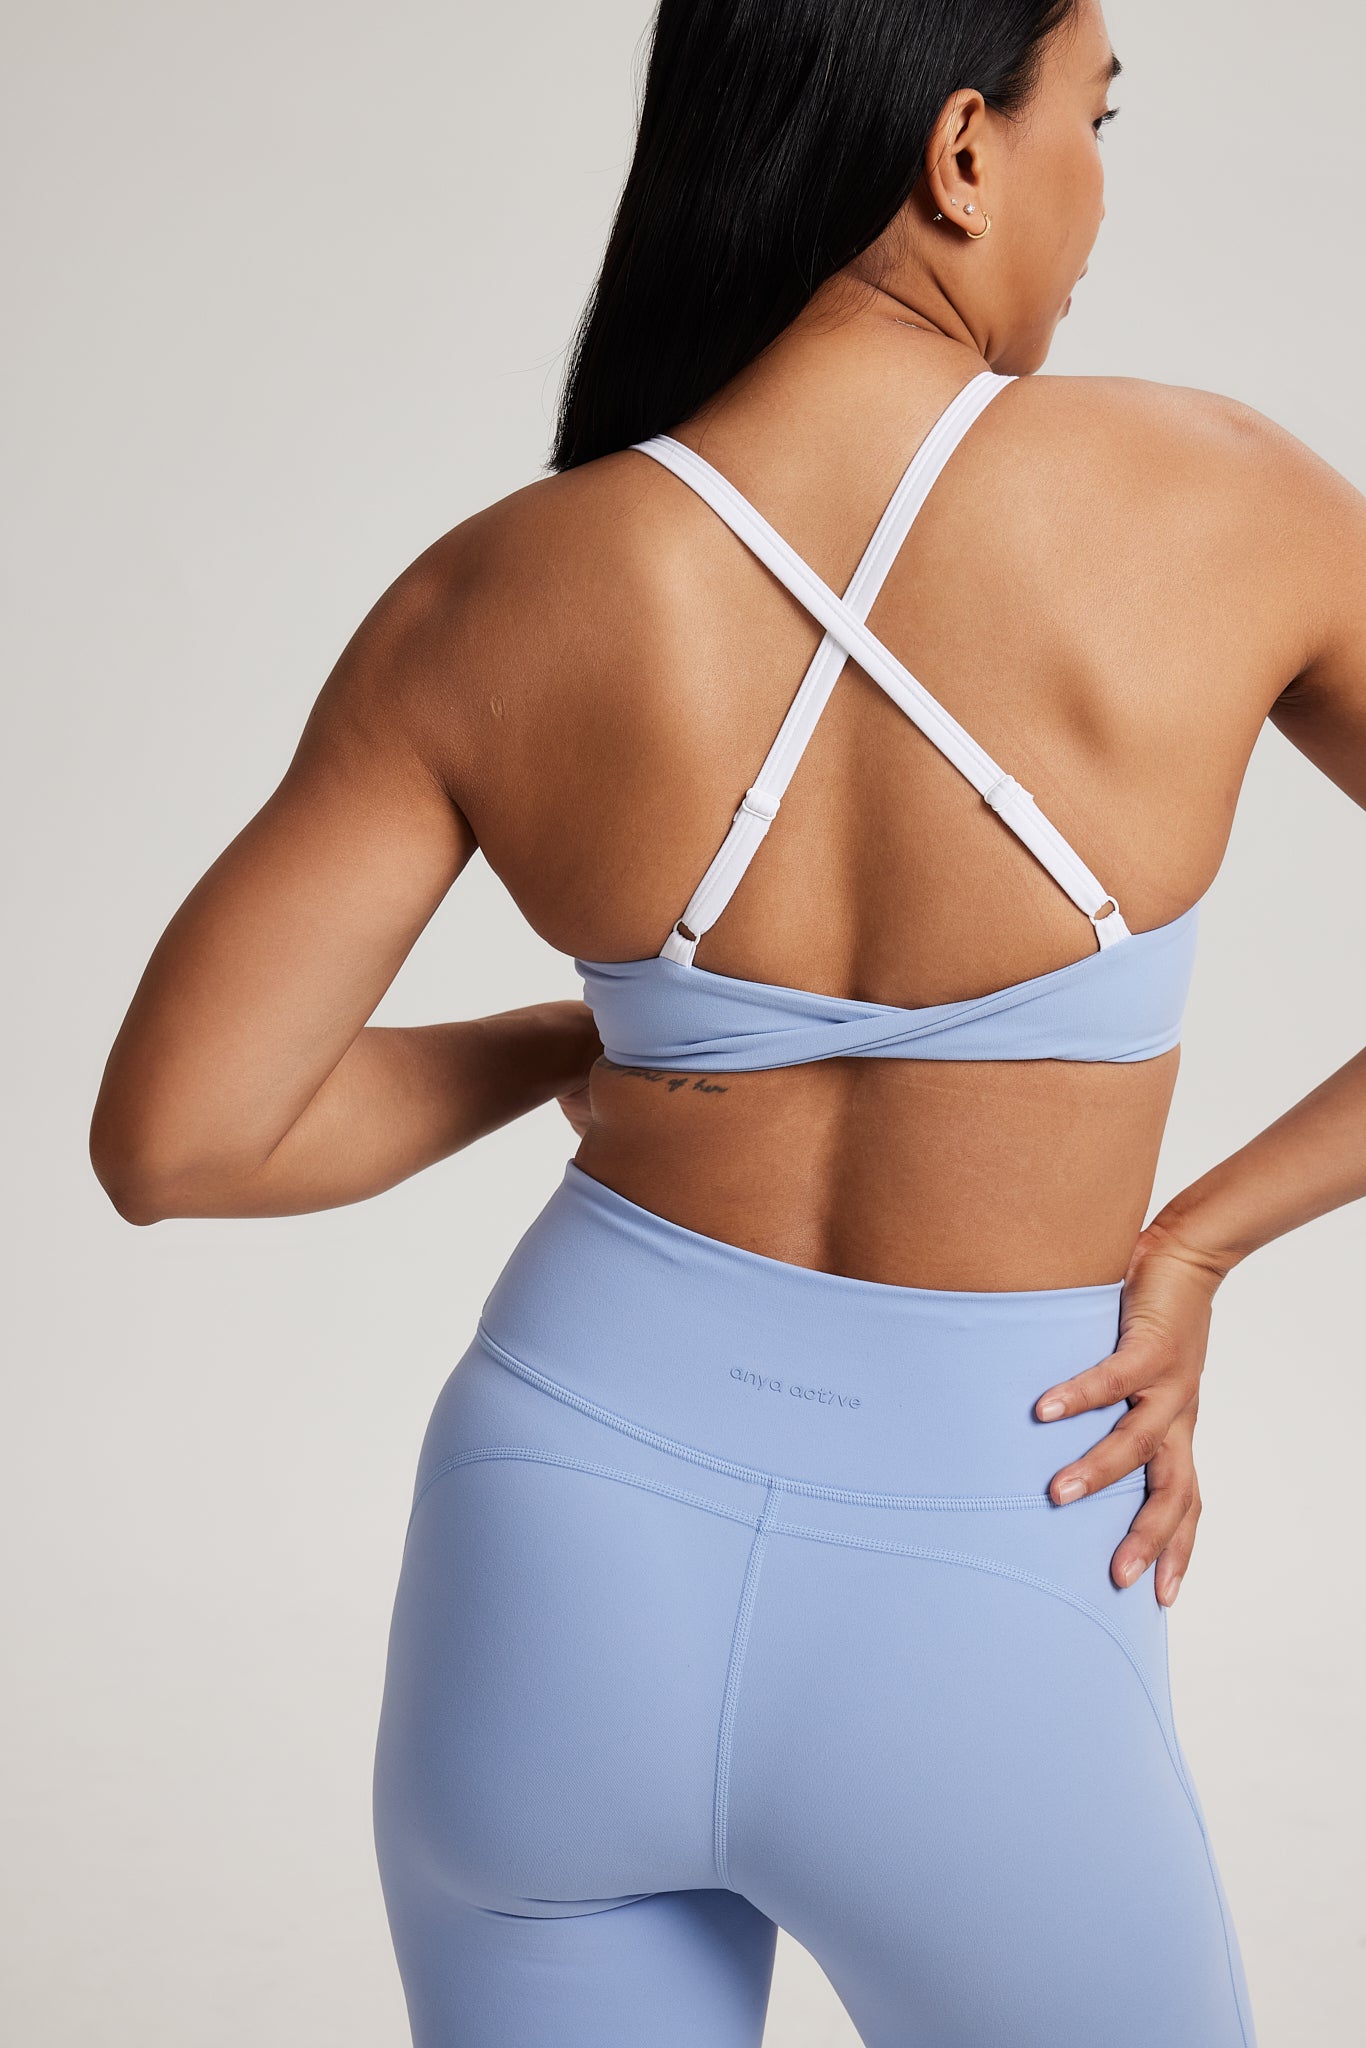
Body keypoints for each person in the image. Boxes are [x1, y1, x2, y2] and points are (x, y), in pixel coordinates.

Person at [89, 0, 1366, 2042]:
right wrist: (1196, 1241)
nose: (1094, 192)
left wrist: (571, 1045)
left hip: (553, 1539)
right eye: (1092, 118)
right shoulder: (1218, 498)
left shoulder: (497, 588)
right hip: (990, 1549)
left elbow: (182, 1141)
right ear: (963, 150)